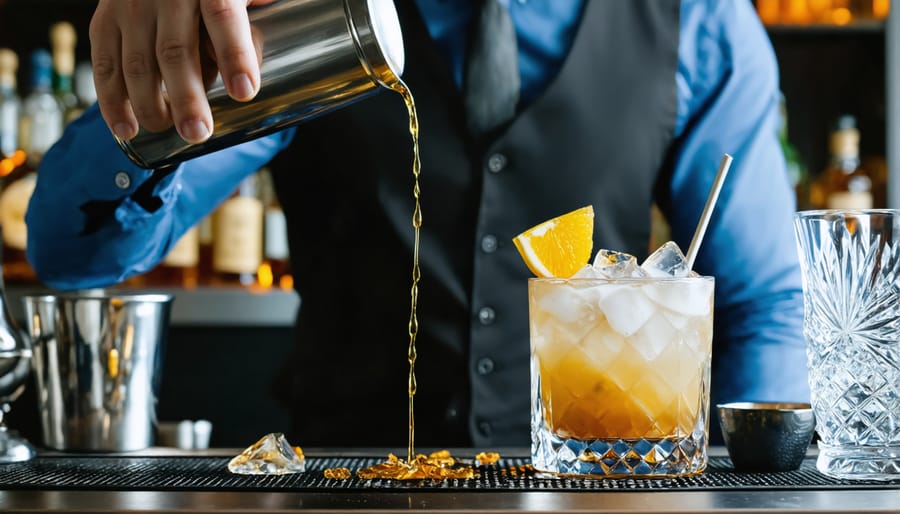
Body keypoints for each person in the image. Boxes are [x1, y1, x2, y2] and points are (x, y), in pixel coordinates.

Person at [26, 0, 809, 448]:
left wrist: (743, 493)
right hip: (345, 486)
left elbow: (764, 303)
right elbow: (72, 251)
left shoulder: (697, 17)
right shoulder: (305, 15)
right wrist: (151, 102)